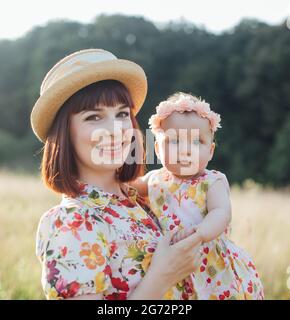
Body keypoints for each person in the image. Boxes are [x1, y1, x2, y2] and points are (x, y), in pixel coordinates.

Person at [31, 49, 203, 300]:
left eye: (122, 114)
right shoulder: (71, 222)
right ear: (64, 134)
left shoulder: (146, 198)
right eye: (94, 117)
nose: (115, 130)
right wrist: (163, 275)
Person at [131, 92, 265, 299]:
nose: (185, 150)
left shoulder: (212, 182)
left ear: (210, 151)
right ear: (157, 148)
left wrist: (200, 233)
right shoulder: (154, 179)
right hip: (171, 265)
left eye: (196, 142)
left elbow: (221, 213)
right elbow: (128, 188)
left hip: (211, 265)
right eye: (174, 141)